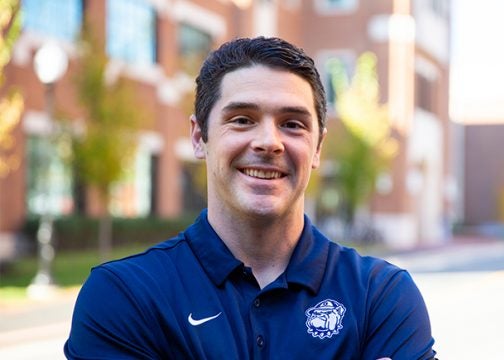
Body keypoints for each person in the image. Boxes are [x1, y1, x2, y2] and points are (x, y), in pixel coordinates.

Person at [64, 36, 437, 359]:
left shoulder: (381, 297)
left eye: (292, 124)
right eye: (242, 119)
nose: (269, 142)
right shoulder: (124, 296)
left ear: (318, 146)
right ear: (199, 137)